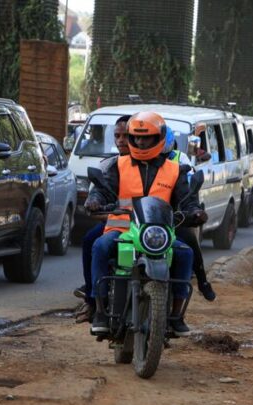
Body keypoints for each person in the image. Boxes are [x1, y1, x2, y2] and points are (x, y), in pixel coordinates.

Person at [85, 112, 203, 337]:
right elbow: (103, 190)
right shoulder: (117, 165)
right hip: (122, 229)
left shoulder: (175, 170)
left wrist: (195, 212)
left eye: (146, 137)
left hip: (158, 232)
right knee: (99, 246)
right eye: (136, 137)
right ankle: (99, 310)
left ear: (158, 138)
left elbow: (186, 200)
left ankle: (177, 315)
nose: (140, 142)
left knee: (186, 253)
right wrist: (95, 200)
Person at [74, 115, 131, 323]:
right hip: (119, 223)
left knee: (184, 249)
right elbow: (101, 190)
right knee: (92, 241)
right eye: (117, 136)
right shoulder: (112, 164)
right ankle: (94, 302)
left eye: (126, 136)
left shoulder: (159, 164)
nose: (121, 140)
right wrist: (94, 201)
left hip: (150, 228)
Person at [163, 127, 215, 301]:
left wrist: (191, 210)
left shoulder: (180, 160)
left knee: (190, 243)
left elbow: (188, 186)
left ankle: (202, 282)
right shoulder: (138, 162)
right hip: (143, 217)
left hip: (173, 213)